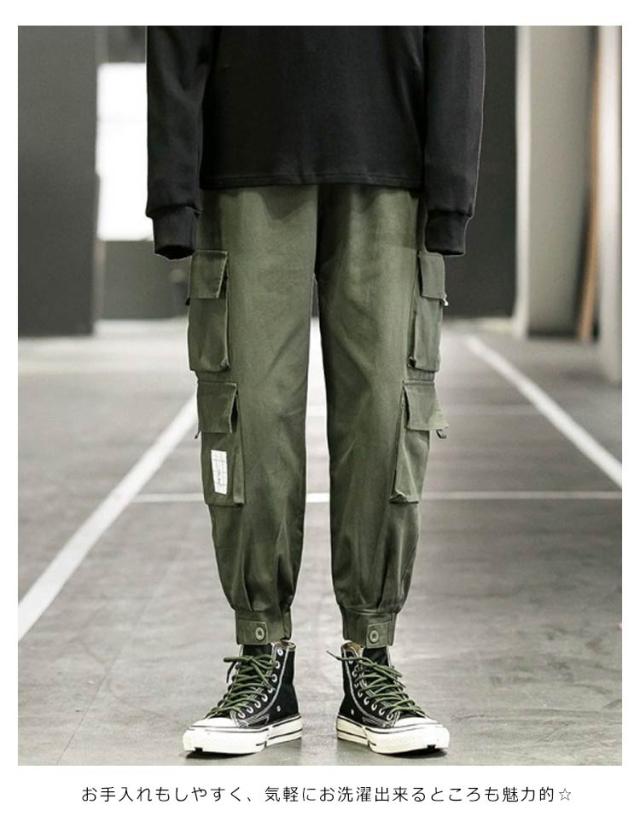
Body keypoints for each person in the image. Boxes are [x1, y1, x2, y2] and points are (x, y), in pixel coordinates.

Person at [146, 25, 485, 757]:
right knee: (249, 417)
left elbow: (458, 28)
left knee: (386, 416)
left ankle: (371, 655)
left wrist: (451, 186)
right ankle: (263, 653)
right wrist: (172, 191)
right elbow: (175, 28)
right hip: (243, 151)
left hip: (392, 158)